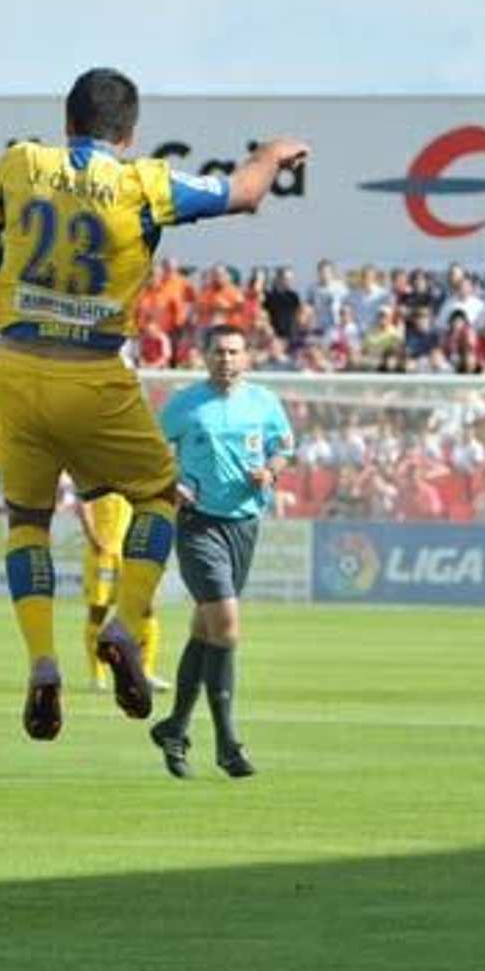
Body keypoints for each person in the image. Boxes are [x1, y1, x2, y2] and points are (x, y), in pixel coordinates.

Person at [0, 67, 307, 741]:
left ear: (66, 121)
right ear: (127, 136)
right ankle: (126, 624)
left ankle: (42, 664)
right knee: (161, 496)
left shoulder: (20, 165)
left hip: (14, 371)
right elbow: (245, 194)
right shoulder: (144, 183)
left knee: (27, 521)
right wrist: (272, 154)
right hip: (94, 374)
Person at [146, 326, 292, 779]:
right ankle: (228, 743)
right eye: (217, 352)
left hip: (244, 523)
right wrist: (170, 483)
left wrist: (270, 471)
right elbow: (148, 450)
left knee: (206, 629)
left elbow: (283, 447)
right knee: (226, 625)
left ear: (247, 357)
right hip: (197, 524)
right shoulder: (185, 404)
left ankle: (174, 728)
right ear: (204, 357)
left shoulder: (264, 403)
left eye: (233, 351)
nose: (225, 359)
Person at [76, 491, 165, 692]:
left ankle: (146, 672)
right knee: (98, 612)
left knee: (147, 608)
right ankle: (97, 677)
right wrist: (93, 538)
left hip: (130, 551)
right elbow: (83, 505)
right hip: (102, 553)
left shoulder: (131, 473)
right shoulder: (94, 472)